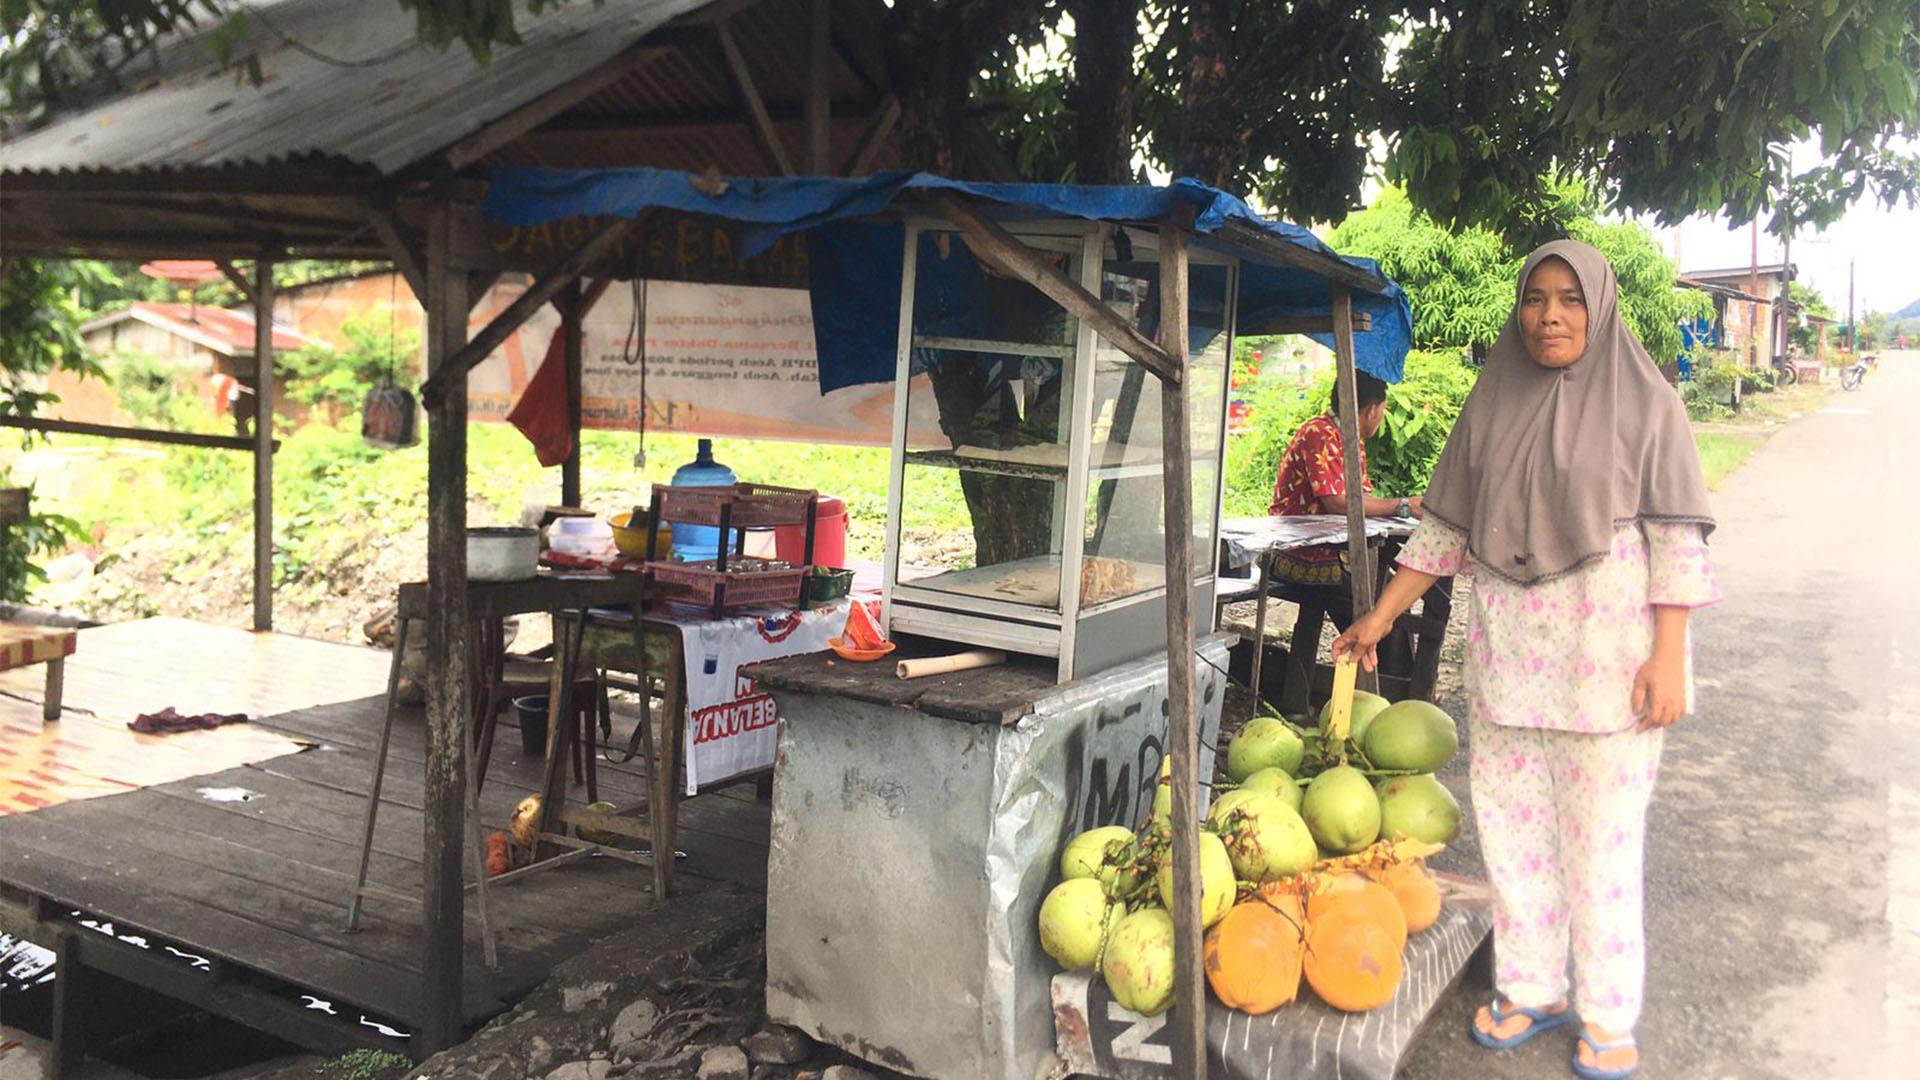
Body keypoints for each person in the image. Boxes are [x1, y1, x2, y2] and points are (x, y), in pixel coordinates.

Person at [1333, 240, 1718, 1080]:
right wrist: (1379, 617)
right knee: (1514, 838)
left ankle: (1607, 1011)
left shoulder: (1649, 405)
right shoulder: (1492, 402)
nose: (1550, 315)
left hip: (1608, 670)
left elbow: (1677, 543)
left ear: (1599, 307)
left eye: (1570, 299)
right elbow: (1445, 531)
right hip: (1509, 666)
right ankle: (1532, 985)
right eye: (1535, 298)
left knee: (1602, 848)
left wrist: (1670, 656)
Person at [1266, 372, 1422, 586]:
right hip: (1302, 552)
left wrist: (1406, 506)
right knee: (1386, 593)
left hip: (1332, 545)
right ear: (1371, 411)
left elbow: (1361, 497)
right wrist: (1403, 505)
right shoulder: (1320, 434)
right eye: (1383, 410)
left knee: (1395, 587)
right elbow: (1337, 503)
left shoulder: (1348, 437)